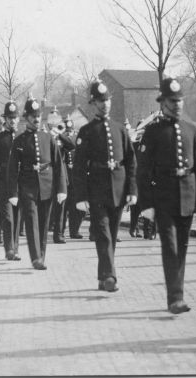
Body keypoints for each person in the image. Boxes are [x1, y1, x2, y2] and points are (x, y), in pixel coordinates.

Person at [137, 77, 196, 314]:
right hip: (163, 198)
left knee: (183, 247)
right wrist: (146, 204)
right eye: (172, 101)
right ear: (162, 103)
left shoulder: (191, 130)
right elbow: (143, 171)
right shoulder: (153, 132)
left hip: (187, 196)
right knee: (170, 246)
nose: (177, 105)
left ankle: (178, 294)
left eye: (180, 101)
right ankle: (174, 298)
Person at [73, 80, 137, 292]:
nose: (104, 104)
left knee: (112, 233)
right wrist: (81, 196)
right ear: (93, 104)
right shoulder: (87, 132)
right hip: (97, 190)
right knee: (104, 234)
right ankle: (110, 276)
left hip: (118, 190)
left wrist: (132, 190)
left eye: (107, 100)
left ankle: (103, 277)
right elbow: (79, 167)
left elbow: (130, 161)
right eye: (100, 101)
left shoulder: (120, 129)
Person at [7, 97, 68, 270]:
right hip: (27, 187)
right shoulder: (19, 141)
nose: (36, 118)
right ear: (26, 118)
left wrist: (61, 189)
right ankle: (35, 258)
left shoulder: (48, 138)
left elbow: (58, 165)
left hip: (47, 187)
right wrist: (13, 192)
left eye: (38, 115)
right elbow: (12, 169)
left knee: (43, 223)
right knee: (32, 221)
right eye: (32, 116)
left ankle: (41, 255)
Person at [0, 102, 22, 261]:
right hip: (3, 181)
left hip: (20, 183)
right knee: (8, 217)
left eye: (14, 118)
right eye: (10, 118)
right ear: (5, 119)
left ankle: (15, 249)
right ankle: (9, 249)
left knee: (17, 217)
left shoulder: (23, 137)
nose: (12, 121)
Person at [51, 115, 77, 244]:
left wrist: (60, 134)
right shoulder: (45, 135)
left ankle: (59, 234)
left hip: (61, 175)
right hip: (48, 176)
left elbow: (72, 146)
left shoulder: (61, 137)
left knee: (61, 206)